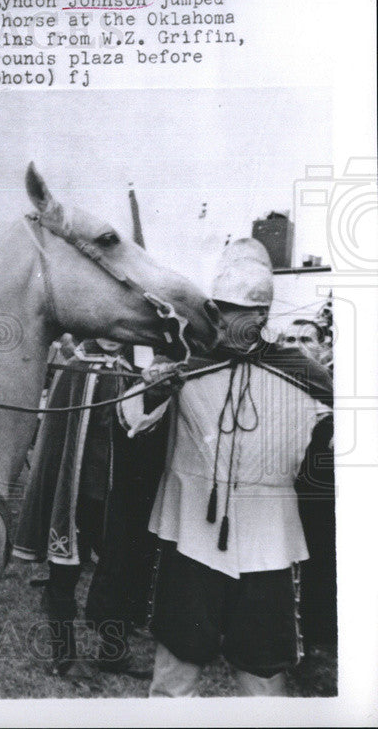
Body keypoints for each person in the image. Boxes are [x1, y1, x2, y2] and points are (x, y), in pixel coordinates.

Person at [119, 239, 333, 697]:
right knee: (174, 677)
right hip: (191, 538)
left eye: (233, 310)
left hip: (268, 545)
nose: (219, 319)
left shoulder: (304, 373)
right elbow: (132, 418)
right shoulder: (184, 363)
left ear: (261, 315)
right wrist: (155, 389)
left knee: (262, 681)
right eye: (217, 308)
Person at [14, 338, 163, 679]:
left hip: (117, 493)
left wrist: (153, 392)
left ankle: (113, 653)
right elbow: (60, 437)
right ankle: (64, 657)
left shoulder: (127, 368)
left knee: (118, 570)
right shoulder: (77, 369)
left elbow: (134, 425)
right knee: (65, 573)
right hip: (80, 492)